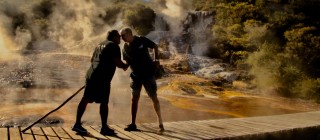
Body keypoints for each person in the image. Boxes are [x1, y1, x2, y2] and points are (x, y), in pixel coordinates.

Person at [72, 30, 129, 135]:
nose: (120, 39)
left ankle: (77, 124)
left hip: (91, 75)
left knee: (86, 98)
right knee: (104, 102)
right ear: (114, 37)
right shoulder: (114, 46)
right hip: (102, 78)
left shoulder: (100, 44)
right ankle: (103, 128)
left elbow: (92, 59)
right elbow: (118, 63)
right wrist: (126, 65)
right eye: (118, 37)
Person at [120, 27, 164, 132]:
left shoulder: (141, 39)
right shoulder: (125, 48)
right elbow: (126, 63)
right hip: (136, 76)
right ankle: (133, 124)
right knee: (134, 99)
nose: (122, 38)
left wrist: (156, 59)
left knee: (154, 97)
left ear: (129, 34)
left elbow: (155, 46)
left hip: (148, 74)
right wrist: (119, 65)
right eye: (121, 36)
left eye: (123, 36)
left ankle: (160, 121)